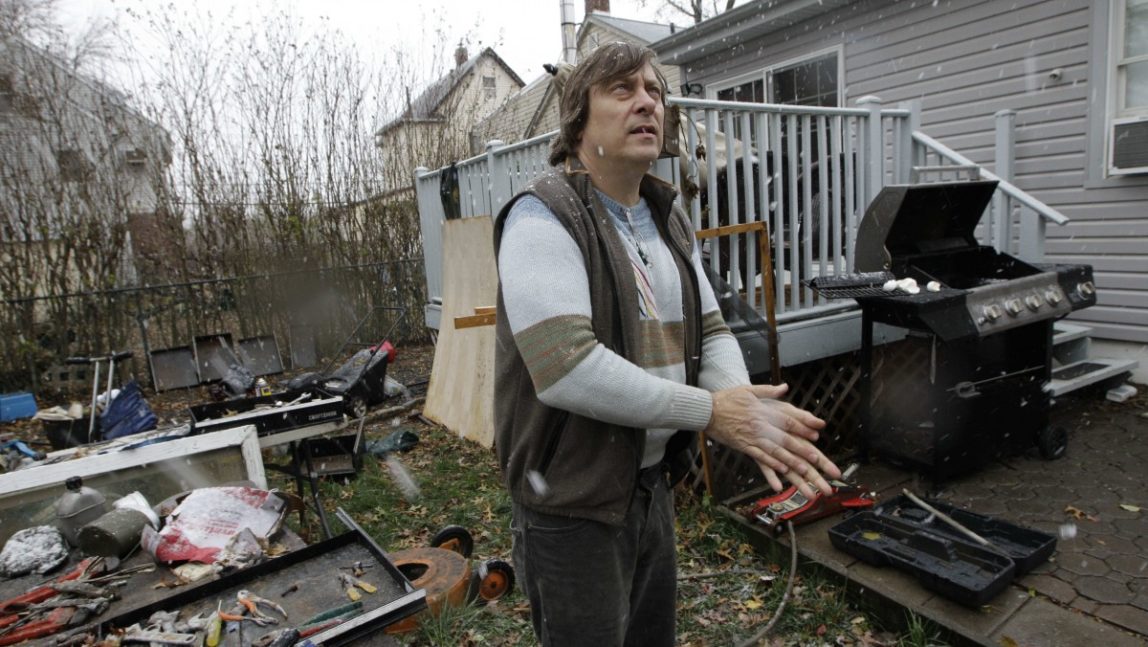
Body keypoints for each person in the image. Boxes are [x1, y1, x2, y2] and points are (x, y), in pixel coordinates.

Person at [492, 41, 841, 646]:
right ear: (579, 118)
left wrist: (742, 410)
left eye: (654, 90)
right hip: (571, 501)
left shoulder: (666, 215)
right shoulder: (543, 216)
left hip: (648, 486)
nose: (647, 101)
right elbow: (566, 367)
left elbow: (710, 328)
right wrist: (712, 413)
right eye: (623, 90)